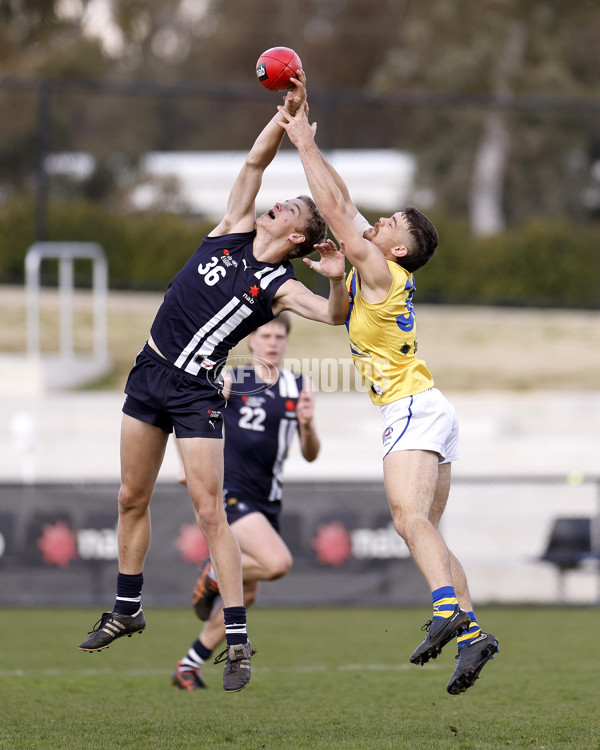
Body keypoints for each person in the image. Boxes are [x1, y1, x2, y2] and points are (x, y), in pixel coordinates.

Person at [76, 73, 348, 695]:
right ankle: (127, 608)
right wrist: (287, 118)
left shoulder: (277, 286)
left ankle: (238, 643)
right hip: (148, 373)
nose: (277, 203)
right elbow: (255, 160)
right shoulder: (232, 227)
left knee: (209, 515)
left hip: (198, 392)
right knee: (129, 497)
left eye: (290, 208)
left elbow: (334, 316)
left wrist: (335, 276)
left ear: (300, 237)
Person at [276, 83, 499, 696]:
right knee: (427, 530)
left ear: (397, 248)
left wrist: (300, 143)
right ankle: (474, 633)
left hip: (411, 409)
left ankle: (448, 610)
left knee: (406, 520)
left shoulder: (381, 264)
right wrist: (333, 278)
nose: (375, 222)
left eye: (389, 224)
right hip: (430, 406)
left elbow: (338, 211)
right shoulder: (372, 275)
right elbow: (345, 209)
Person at [171, 313, 320, 690]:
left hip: (268, 500)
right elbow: (188, 416)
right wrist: (187, 462)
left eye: (278, 336)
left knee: (247, 592)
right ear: (251, 340)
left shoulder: (299, 384)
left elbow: (311, 454)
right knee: (277, 563)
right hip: (233, 491)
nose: (272, 342)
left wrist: (308, 424)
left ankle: (188, 666)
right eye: (265, 335)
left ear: (285, 341)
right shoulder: (233, 378)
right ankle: (214, 573)